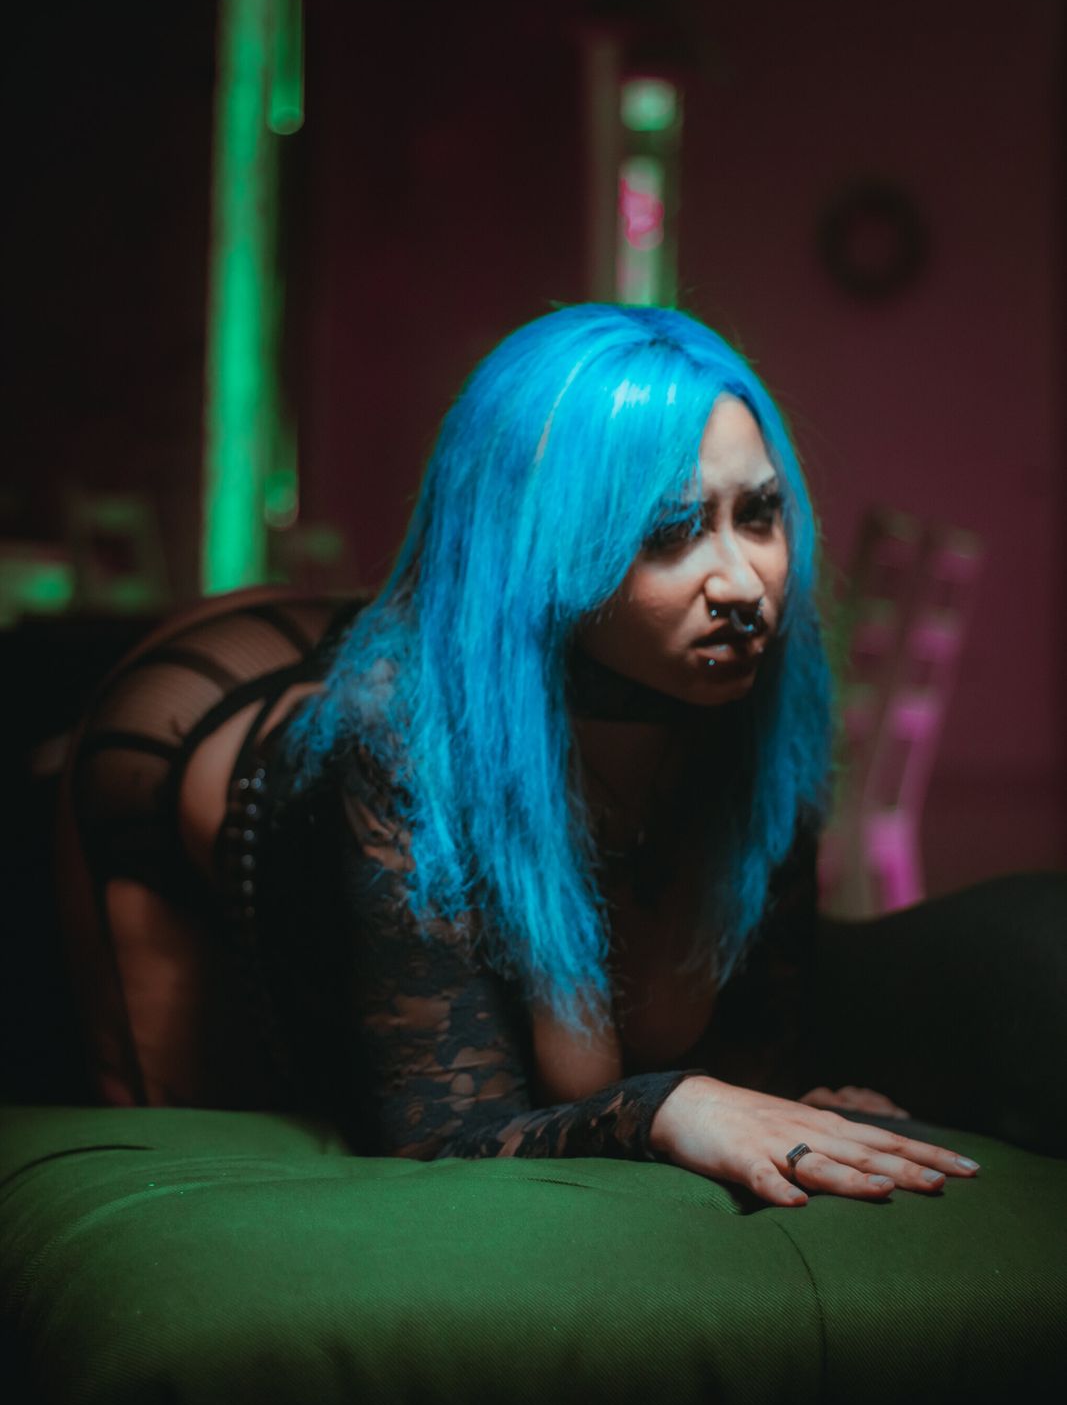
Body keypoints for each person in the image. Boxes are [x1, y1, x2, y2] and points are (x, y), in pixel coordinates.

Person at [246, 301, 987, 1207]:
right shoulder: (390, 739)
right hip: (204, 761)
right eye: (669, 532)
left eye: (758, 514)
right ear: (536, 549)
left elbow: (757, 1053)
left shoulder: (756, 714)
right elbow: (437, 1135)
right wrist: (663, 1110)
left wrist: (791, 1106)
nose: (743, 584)